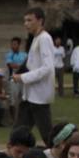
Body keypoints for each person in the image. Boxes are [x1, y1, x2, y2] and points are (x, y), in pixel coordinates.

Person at [17, 8, 57, 143]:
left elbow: (47, 68)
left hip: (39, 95)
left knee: (47, 134)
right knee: (19, 132)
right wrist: (19, 73)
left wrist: (23, 77)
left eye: (29, 20)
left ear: (40, 21)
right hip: (30, 94)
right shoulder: (36, 38)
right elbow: (32, 63)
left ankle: (60, 156)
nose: (26, 24)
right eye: (25, 21)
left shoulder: (45, 39)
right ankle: (16, 152)